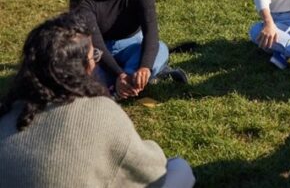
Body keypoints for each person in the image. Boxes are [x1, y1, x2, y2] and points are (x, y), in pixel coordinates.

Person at [0, 12, 195, 187]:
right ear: (83, 67)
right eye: (94, 55)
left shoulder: (7, 112)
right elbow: (151, 170)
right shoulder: (101, 111)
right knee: (180, 168)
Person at [70, 0, 187, 99]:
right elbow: (96, 45)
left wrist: (144, 68)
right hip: (98, 53)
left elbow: (151, 34)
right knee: (82, 77)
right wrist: (119, 74)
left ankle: (130, 82)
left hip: (132, 46)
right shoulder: (85, 3)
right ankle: (145, 78)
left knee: (159, 49)